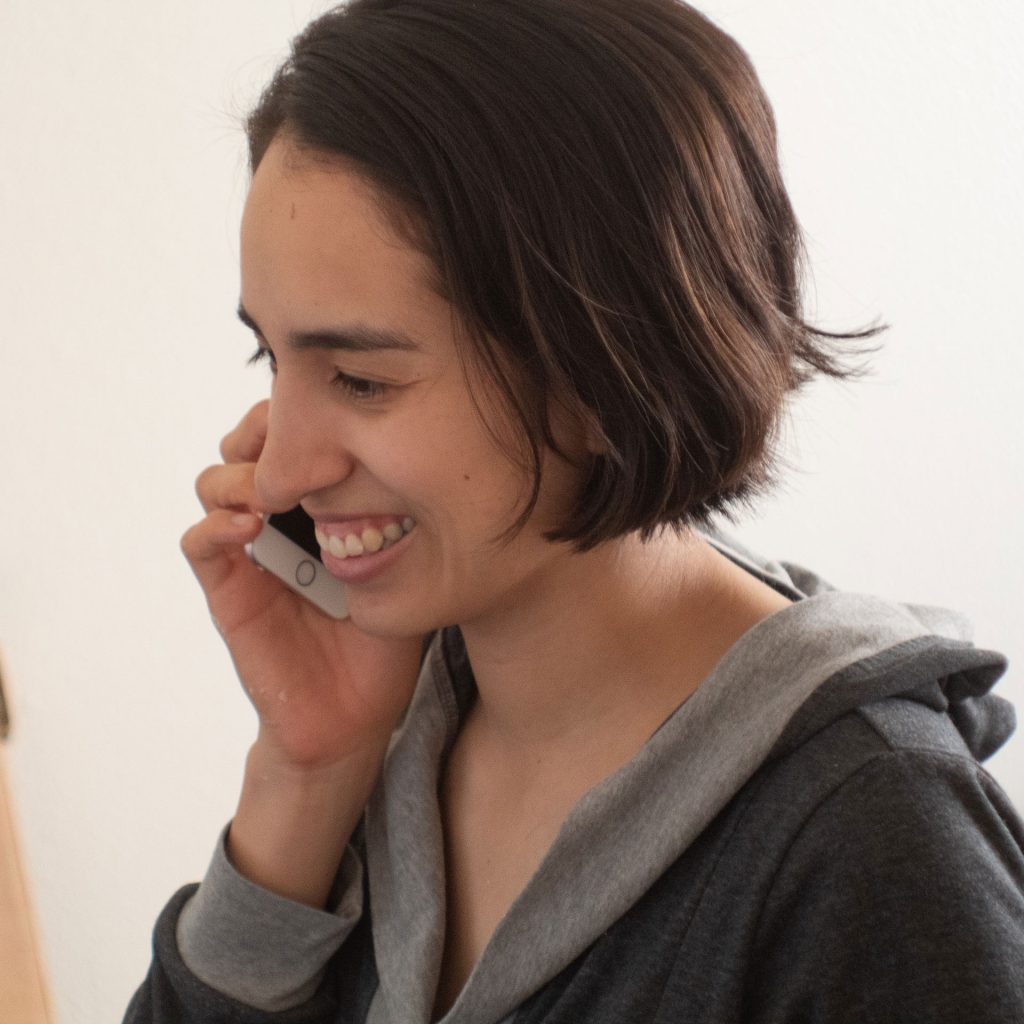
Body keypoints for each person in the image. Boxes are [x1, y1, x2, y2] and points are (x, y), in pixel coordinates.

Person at [125, 1, 1024, 1021]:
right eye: (272, 357)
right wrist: (307, 770)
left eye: (363, 380)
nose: (278, 470)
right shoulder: (399, 729)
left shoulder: (871, 844)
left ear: (605, 373)